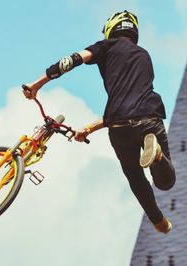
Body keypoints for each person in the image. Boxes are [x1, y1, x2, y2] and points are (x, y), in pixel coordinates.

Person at [22, 10, 176, 234]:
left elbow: (72, 60)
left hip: (117, 126)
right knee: (165, 182)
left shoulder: (106, 47)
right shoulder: (144, 55)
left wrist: (38, 83)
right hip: (147, 119)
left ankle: (157, 220)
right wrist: (87, 129)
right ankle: (157, 156)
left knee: (135, 177)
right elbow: (133, 102)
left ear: (111, 29)